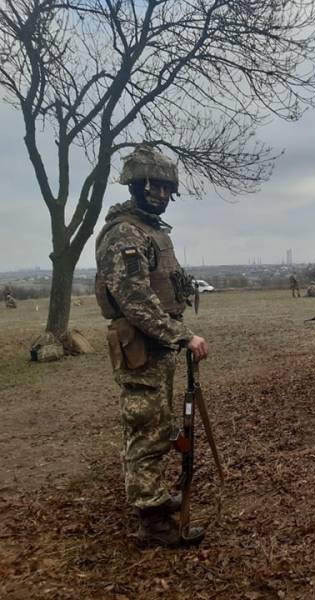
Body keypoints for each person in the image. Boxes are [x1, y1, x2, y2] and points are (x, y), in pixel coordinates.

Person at [94, 145, 210, 546]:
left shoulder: (151, 230)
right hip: (142, 347)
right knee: (146, 433)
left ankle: (156, 500)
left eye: (165, 188)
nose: (160, 194)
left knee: (158, 428)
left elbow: (161, 288)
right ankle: (152, 523)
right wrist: (184, 335)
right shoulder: (126, 233)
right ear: (135, 185)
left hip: (156, 349)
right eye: (152, 186)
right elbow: (136, 301)